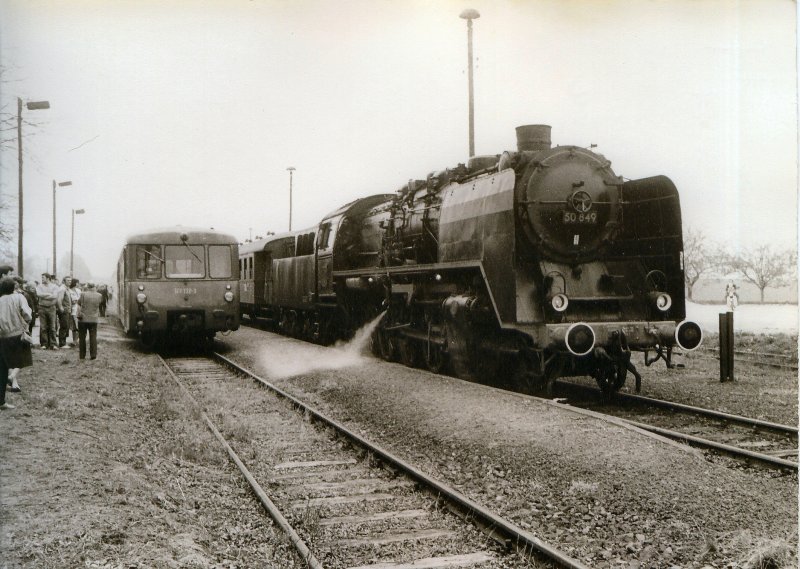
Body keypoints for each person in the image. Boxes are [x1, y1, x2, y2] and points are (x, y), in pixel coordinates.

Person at [0, 277, 32, 410]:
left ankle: (1, 401)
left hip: (2, 336)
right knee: (21, 359)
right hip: (17, 335)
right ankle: (12, 376)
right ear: (13, 288)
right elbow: (27, 315)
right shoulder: (19, 298)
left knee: (2, 367)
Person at [77, 282, 103, 360]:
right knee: (93, 337)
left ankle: (82, 355)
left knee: (82, 338)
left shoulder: (83, 294)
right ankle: (93, 355)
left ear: (87, 287)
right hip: (93, 319)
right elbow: (100, 304)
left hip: (83, 319)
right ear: (94, 287)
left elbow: (79, 303)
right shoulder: (99, 295)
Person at [36, 274, 59, 349]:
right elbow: (39, 294)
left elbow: (55, 296)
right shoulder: (39, 286)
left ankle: (53, 344)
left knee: (52, 326)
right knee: (43, 327)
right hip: (42, 308)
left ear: (48, 278)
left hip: (51, 308)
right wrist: (49, 294)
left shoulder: (55, 286)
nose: (42, 279)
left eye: (43, 278)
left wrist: (44, 295)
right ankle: (44, 344)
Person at [56, 276, 73, 348]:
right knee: (64, 326)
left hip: (67, 310)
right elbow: (59, 300)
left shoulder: (67, 289)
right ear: (64, 281)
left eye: (70, 280)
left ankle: (64, 342)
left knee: (66, 326)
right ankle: (62, 343)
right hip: (64, 310)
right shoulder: (62, 289)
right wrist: (60, 308)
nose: (70, 282)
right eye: (68, 280)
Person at [68, 278, 81, 346]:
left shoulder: (78, 290)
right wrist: (75, 301)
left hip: (78, 310)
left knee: (78, 326)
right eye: (78, 283)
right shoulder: (69, 291)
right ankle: (74, 341)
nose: (79, 284)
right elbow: (72, 301)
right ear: (75, 283)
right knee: (73, 327)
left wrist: (76, 301)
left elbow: (79, 300)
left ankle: (76, 340)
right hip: (72, 310)